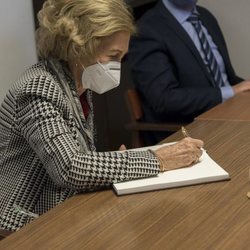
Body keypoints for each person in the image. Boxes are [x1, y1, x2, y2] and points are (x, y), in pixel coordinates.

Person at [0, 0, 203, 233]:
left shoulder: (79, 84)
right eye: (113, 55)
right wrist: (158, 160)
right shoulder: (38, 87)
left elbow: (78, 160)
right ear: (80, 46)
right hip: (22, 222)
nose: (117, 66)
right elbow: (71, 168)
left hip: (61, 208)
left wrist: (114, 165)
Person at [128, 0, 250, 144]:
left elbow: (224, 78)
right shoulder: (146, 29)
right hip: (189, 133)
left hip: (232, 115)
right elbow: (165, 100)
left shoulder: (205, 16)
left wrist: (242, 88)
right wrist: (230, 92)